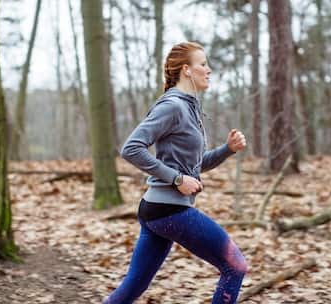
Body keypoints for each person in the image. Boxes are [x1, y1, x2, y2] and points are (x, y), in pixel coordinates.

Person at [103, 42, 248, 304]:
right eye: (203, 64)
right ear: (186, 70)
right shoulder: (172, 106)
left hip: (157, 211)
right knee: (235, 266)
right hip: (170, 210)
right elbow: (131, 148)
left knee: (132, 288)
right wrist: (177, 179)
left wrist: (227, 149)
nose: (209, 69)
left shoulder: (189, 107)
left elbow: (194, 165)